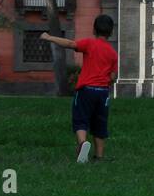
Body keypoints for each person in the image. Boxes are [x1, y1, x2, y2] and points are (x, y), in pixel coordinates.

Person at [41, 15, 118, 163]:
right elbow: (113, 76)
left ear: (94, 29)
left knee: (81, 119)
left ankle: (83, 144)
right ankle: (99, 156)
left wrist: (49, 37)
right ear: (111, 32)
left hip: (86, 90)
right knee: (100, 123)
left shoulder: (89, 44)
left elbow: (70, 43)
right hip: (102, 93)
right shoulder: (112, 53)